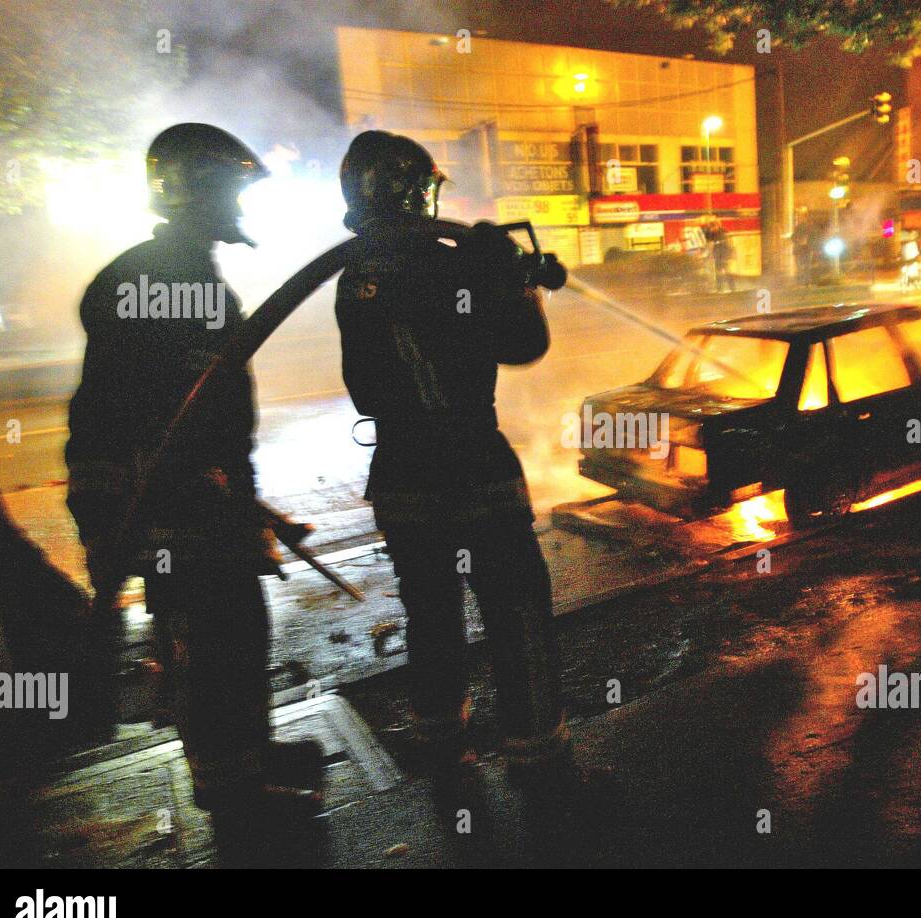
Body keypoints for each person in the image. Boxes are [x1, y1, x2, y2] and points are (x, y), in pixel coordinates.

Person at [64, 124, 320, 840]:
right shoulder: (146, 281)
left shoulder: (194, 276)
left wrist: (248, 501)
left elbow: (201, 416)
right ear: (193, 190)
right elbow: (108, 414)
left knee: (241, 634)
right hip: (174, 519)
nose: (239, 204)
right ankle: (233, 798)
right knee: (208, 652)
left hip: (212, 507)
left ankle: (252, 754)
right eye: (230, 189)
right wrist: (104, 523)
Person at [333, 131, 570, 778]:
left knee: (431, 614)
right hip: (471, 466)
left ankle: (442, 744)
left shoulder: (356, 276)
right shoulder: (447, 263)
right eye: (425, 189)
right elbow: (522, 344)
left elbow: (366, 387)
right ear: (408, 191)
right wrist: (512, 281)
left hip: (402, 473)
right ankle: (540, 760)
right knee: (516, 609)